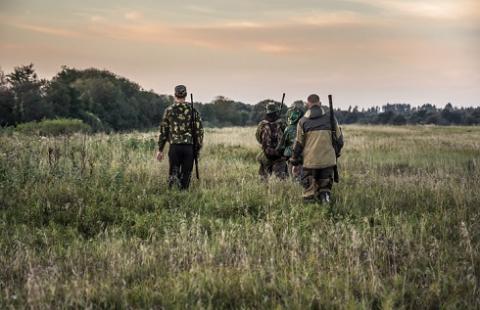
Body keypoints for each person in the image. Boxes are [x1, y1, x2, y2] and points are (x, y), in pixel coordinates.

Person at [290, 94, 344, 203]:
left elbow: (299, 144)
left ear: (308, 105)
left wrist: (294, 160)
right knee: (325, 191)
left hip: (310, 164)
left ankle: (311, 215)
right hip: (328, 162)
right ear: (320, 103)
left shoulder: (302, 122)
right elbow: (340, 141)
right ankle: (326, 212)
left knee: (309, 193)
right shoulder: (331, 119)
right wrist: (335, 153)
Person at [156, 85, 204, 190]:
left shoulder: (169, 110)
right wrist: (198, 148)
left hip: (175, 148)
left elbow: (164, 131)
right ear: (185, 95)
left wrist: (160, 149)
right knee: (186, 176)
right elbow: (199, 131)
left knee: (173, 174)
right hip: (189, 148)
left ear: (175, 95)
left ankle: (172, 197)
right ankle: (184, 197)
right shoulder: (193, 110)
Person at [255, 101, 288, 180]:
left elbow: (258, 138)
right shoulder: (282, 123)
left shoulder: (262, 125)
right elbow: (287, 137)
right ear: (276, 112)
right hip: (279, 156)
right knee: (281, 181)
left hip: (265, 155)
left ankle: (264, 192)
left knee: (263, 180)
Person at [281, 101, 305, 180]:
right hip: (301, 155)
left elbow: (283, 143)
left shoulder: (288, 128)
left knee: (291, 175)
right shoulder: (303, 128)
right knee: (300, 175)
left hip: (290, 156)